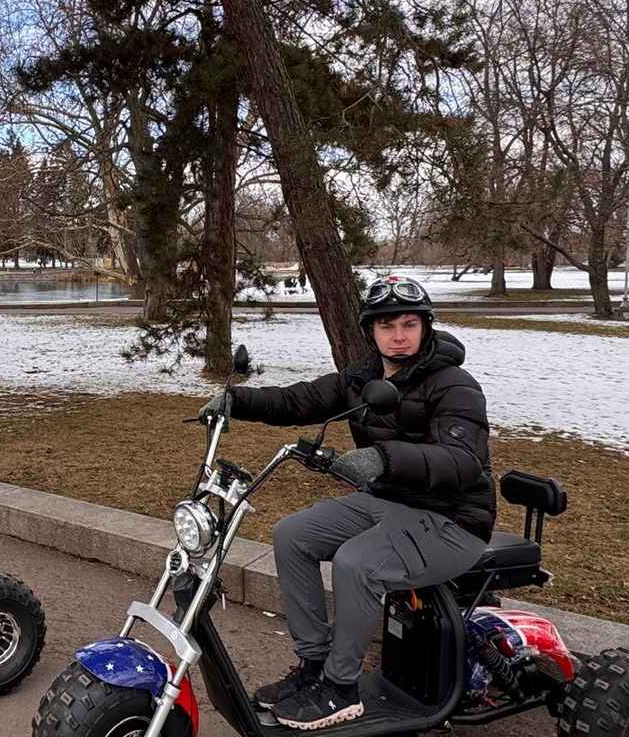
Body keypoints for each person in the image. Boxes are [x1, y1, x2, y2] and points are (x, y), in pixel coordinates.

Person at [198, 275, 493, 730]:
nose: (398, 336)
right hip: (389, 502)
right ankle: (315, 665)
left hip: (452, 519)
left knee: (358, 563)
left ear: (426, 327)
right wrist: (236, 400)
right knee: (292, 535)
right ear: (371, 331)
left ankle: (340, 687)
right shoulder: (362, 377)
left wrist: (382, 459)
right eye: (387, 326)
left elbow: (463, 460)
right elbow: (299, 400)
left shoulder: (454, 385)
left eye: (409, 324)